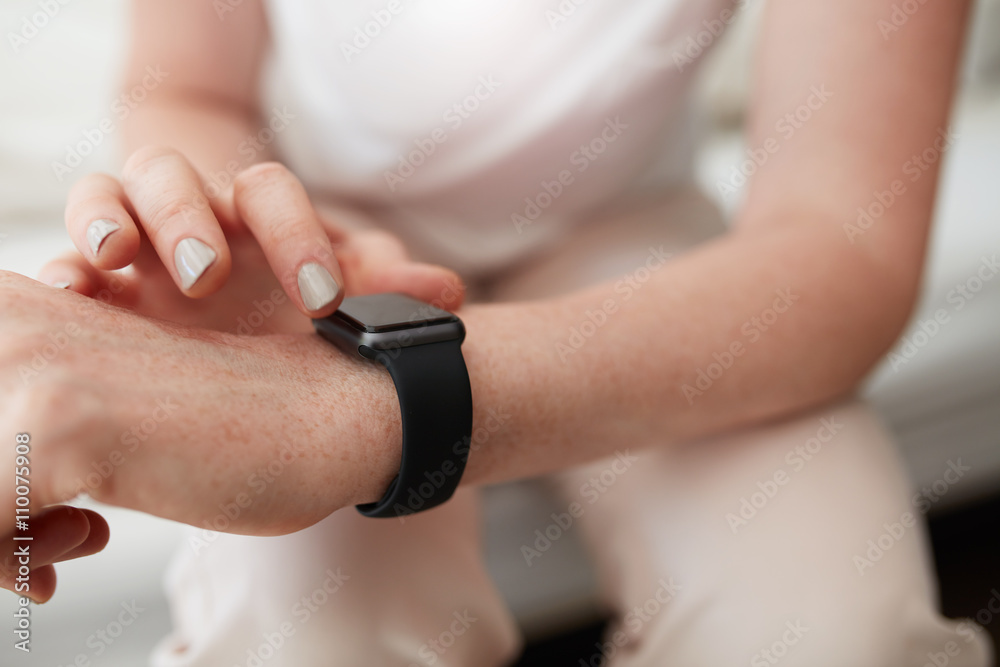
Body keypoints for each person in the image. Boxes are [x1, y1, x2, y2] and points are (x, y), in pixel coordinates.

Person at [1, 0, 993, 664]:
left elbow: (841, 247)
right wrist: (220, 212)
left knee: (827, 630)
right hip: (312, 251)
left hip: (638, 240)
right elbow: (187, 88)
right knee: (300, 631)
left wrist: (366, 411)